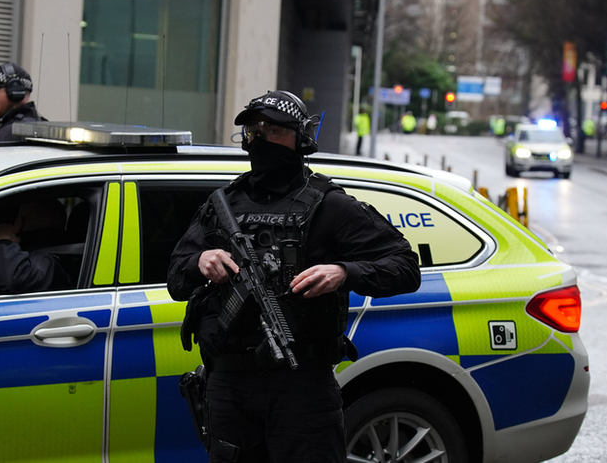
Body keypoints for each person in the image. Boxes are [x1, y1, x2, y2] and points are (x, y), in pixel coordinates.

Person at [167, 90, 421, 463]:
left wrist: (343, 272)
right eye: (255, 131)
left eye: (274, 131)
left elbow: (404, 267)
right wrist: (201, 260)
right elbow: (176, 276)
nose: (262, 139)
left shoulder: (330, 204)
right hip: (229, 385)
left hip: (300, 384)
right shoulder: (223, 204)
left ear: (301, 138)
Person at [0, 199, 71, 294]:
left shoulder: (48, 261)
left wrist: (3, 241)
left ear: (20, 223)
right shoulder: (64, 256)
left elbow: (15, 280)